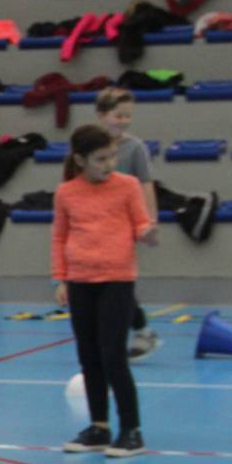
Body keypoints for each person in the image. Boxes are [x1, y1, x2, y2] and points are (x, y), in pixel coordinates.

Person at [54, 123, 149, 458]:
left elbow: (139, 222)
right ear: (80, 160)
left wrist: (146, 232)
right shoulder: (66, 192)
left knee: (113, 356)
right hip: (80, 281)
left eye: (112, 157)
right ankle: (99, 427)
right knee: (89, 355)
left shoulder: (127, 186)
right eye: (101, 159)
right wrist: (60, 277)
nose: (109, 164)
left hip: (117, 280)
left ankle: (131, 429)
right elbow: (60, 237)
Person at [93, 87, 163, 360]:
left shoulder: (135, 148)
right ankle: (123, 331)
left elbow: (146, 184)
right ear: (101, 115)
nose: (123, 121)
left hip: (122, 226)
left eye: (127, 117)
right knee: (98, 283)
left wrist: (149, 221)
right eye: (117, 116)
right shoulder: (88, 145)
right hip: (93, 224)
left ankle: (141, 330)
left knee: (117, 282)